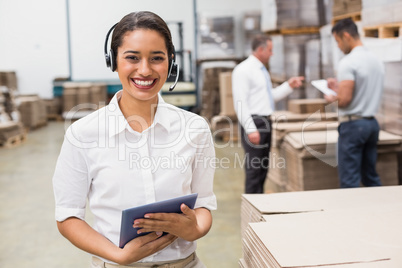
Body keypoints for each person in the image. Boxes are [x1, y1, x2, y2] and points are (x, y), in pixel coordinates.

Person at [53, 11, 217, 267]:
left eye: (157, 58)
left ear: (170, 62)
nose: (145, 70)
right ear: (113, 61)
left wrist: (194, 229)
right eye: (132, 57)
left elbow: (204, 204)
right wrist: (118, 255)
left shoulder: (194, 128)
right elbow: (67, 217)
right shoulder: (83, 134)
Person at [232, 34, 304, 194]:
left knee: (263, 169)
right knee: (254, 171)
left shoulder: (261, 70)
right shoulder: (244, 70)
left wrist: (289, 86)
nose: (272, 54)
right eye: (270, 50)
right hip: (255, 123)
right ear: (260, 49)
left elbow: (269, 97)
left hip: (265, 122)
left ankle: (259, 202)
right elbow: (240, 103)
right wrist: (251, 129)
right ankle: (252, 208)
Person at [324, 18, 384, 188]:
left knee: (349, 181)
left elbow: (344, 100)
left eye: (337, 41)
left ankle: (351, 214)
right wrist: (338, 87)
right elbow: (361, 88)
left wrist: (331, 97)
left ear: (346, 36)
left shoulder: (348, 63)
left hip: (353, 127)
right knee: (370, 176)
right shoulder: (375, 60)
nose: (338, 46)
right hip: (371, 124)